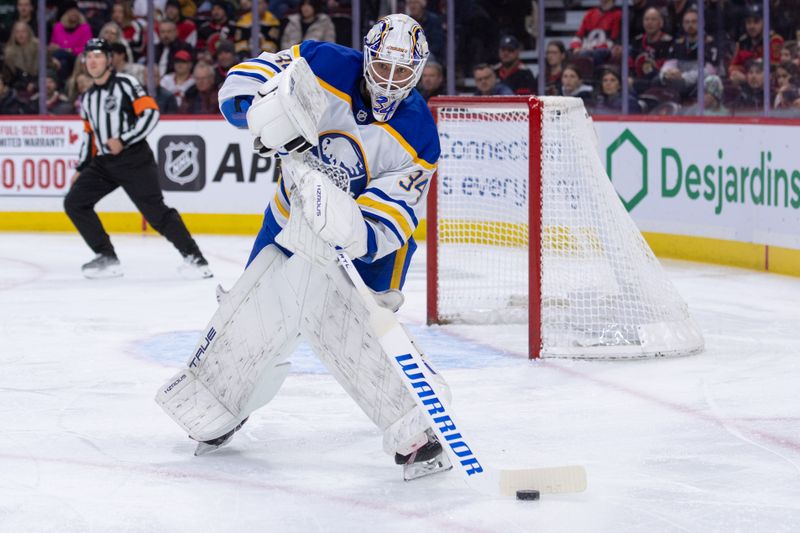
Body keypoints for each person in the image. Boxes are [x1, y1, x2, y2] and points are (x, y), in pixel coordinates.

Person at [166, 14, 453, 480]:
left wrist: (342, 222)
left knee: (358, 328)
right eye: (382, 67)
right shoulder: (323, 62)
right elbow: (248, 78)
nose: (390, 80)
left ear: (419, 72)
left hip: (371, 251)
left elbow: (390, 221)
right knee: (256, 309)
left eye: (403, 73)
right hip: (288, 217)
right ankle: (225, 400)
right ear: (367, 56)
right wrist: (255, 110)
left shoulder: (419, 134)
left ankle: (413, 426)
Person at [63, 39, 212, 280]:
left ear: (109, 60)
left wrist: (123, 138)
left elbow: (151, 113)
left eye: (98, 55)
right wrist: (81, 167)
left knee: (156, 214)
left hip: (134, 159)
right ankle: (107, 257)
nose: (92, 61)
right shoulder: (89, 97)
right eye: (88, 56)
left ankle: (195, 258)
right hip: (104, 163)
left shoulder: (126, 83)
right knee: (74, 202)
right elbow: (89, 135)